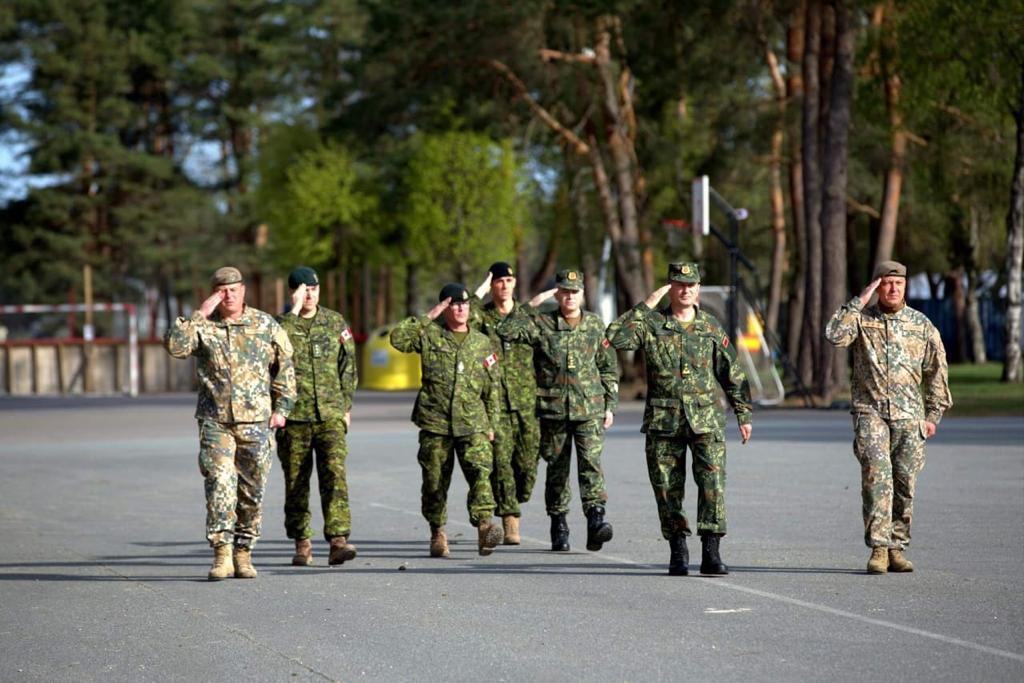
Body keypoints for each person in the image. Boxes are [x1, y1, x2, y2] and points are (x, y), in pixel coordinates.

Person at [607, 262, 752, 576]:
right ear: (670, 288)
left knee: (712, 485)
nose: (685, 290)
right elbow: (615, 338)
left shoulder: (710, 327)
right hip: (664, 421)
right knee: (666, 489)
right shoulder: (652, 324)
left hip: (707, 420)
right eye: (678, 284)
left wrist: (743, 412)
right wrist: (647, 303)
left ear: (698, 288)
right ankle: (678, 548)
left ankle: (711, 552)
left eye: (691, 284)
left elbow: (732, 373)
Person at [165, 266, 296, 580]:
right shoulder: (204, 327)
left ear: (244, 290)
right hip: (216, 421)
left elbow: (286, 369)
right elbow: (175, 347)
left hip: (257, 421)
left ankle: (244, 551)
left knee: (252, 490)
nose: (229, 296)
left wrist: (283, 408)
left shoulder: (265, 324)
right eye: (222, 291)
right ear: (214, 294)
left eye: (234, 289)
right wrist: (199, 314)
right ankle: (221, 552)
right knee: (220, 483)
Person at [825, 260, 952, 574]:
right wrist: (860, 299)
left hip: (911, 416)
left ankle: (897, 546)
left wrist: (933, 414)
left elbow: (937, 372)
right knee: (877, 477)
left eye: (898, 283)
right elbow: (834, 335)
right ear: (877, 287)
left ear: (905, 286)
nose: (892, 289)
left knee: (904, 482)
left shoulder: (921, 325)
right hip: (871, 413)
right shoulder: (861, 320)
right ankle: (879, 548)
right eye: (885, 283)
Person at [496, 269, 618, 553]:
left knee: (591, 465)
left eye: (574, 291)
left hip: (589, 409)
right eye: (564, 291)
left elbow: (608, 367)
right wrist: (532, 304)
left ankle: (595, 520)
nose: (569, 296)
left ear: (582, 294)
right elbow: (506, 330)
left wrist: (610, 405)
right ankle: (559, 523)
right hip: (553, 411)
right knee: (557, 471)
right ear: (557, 293)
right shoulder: (542, 323)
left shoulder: (595, 325)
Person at [389, 283, 504, 557]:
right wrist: (429, 315)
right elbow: (398, 338)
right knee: (434, 481)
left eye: (464, 304)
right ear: (445, 307)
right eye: (454, 304)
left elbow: (493, 387)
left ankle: (484, 527)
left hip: (473, 422)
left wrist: (492, 425)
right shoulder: (430, 336)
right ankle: (438, 532)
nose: (461, 308)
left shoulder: (481, 342)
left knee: (480, 474)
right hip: (435, 423)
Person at [275, 266, 358, 567]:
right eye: (302, 288)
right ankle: (302, 544)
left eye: (313, 288)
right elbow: (270, 352)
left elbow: (348, 367)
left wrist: (345, 407)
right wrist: (293, 312)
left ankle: (338, 541)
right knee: (296, 482)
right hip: (293, 417)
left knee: (335, 476)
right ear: (292, 292)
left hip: (329, 415)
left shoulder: (334, 322)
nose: (309, 293)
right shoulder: (281, 325)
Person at [469, 261, 541, 545]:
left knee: (527, 466)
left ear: (514, 284)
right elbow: (463, 316)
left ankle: (516, 498)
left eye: (507, 281)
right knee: (501, 463)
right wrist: (480, 290)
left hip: (527, 403)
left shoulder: (527, 315)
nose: (503, 286)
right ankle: (510, 520)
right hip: (495, 403)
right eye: (497, 281)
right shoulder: (482, 318)